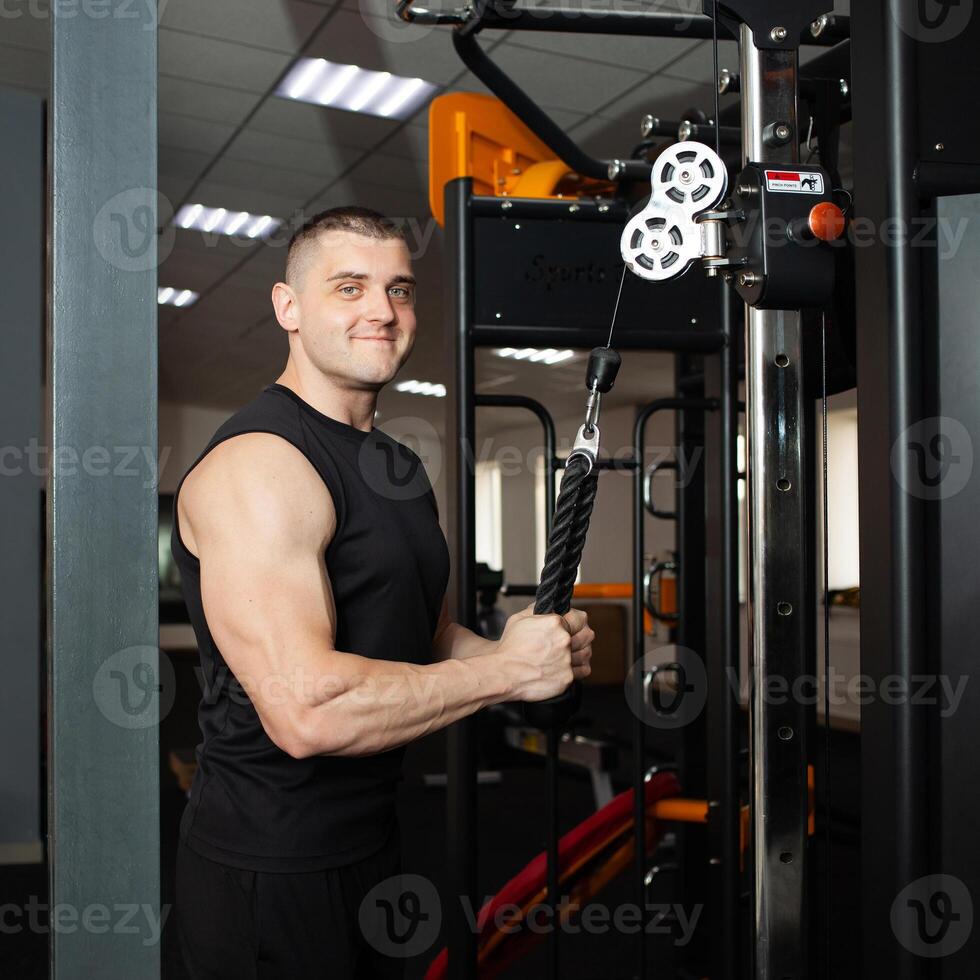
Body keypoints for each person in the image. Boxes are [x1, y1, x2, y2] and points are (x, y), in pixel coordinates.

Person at [171, 206, 595, 979]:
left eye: (398, 289)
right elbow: (308, 710)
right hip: (271, 865)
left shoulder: (395, 467)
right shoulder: (260, 465)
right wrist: (507, 675)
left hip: (375, 840)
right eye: (349, 286)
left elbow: (426, 639)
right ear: (288, 308)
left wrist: (520, 649)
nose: (382, 310)